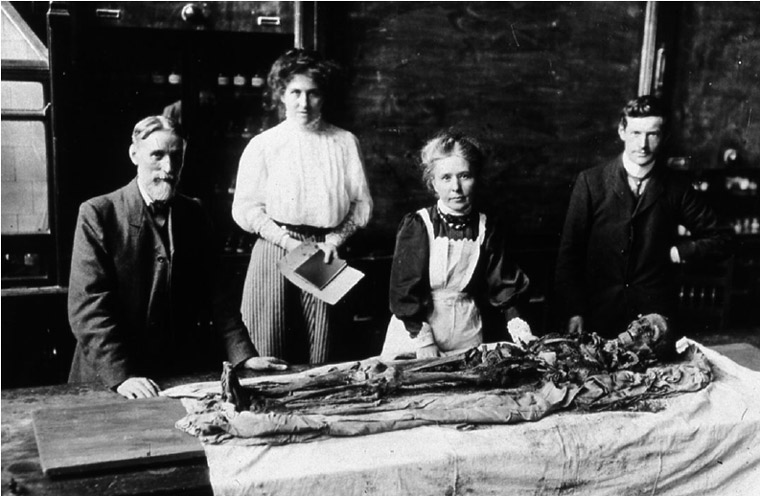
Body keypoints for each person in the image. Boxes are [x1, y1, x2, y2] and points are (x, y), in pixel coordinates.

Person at [68, 115, 287, 399]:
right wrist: (122, 376)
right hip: (108, 378)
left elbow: (219, 297)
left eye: (176, 156)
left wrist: (243, 356)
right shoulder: (98, 213)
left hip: (175, 374)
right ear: (134, 154)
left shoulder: (195, 213)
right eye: (157, 155)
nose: (168, 167)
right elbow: (88, 308)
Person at [232, 49, 373, 364]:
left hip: (323, 252)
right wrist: (286, 241)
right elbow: (247, 208)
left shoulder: (344, 142)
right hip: (273, 248)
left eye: (313, 93)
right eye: (295, 92)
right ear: (281, 94)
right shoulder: (264, 144)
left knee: (325, 354)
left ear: (324, 97)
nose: (303, 103)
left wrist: (334, 241)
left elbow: (360, 205)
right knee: (267, 350)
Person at [554, 95, 728, 339]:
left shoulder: (677, 187)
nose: (643, 144)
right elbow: (569, 254)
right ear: (622, 131)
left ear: (664, 136)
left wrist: (677, 253)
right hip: (597, 315)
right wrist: (574, 310)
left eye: (652, 134)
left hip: (652, 321)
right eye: (636, 133)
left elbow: (722, 237)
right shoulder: (591, 182)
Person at [381, 130, 530, 359]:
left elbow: (504, 286)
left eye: (464, 176)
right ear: (433, 183)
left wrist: (520, 330)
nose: (456, 188)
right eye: (446, 178)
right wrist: (424, 341)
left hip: (466, 331)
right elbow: (403, 292)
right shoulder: (419, 225)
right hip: (416, 335)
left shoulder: (486, 227)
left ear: (476, 178)